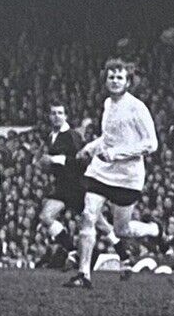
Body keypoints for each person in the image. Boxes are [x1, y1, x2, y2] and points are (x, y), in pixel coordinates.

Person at [64, 58, 160, 288]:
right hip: (101, 170)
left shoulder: (137, 108)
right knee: (88, 215)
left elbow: (151, 144)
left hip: (127, 176)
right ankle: (84, 274)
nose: (115, 81)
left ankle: (154, 230)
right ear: (105, 80)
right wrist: (91, 147)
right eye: (111, 77)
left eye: (120, 77)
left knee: (121, 229)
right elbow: (108, 138)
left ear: (128, 82)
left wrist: (117, 154)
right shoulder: (108, 104)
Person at [36, 103, 86, 269]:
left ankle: (123, 255)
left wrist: (54, 159)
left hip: (77, 186)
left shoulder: (72, 135)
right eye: (53, 113)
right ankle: (72, 251)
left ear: (66, 116)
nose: (56, 116)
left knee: (98, 224)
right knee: (45, 217)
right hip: (62, 186)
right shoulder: (51, 136)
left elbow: (81, 161)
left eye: (60, 113)